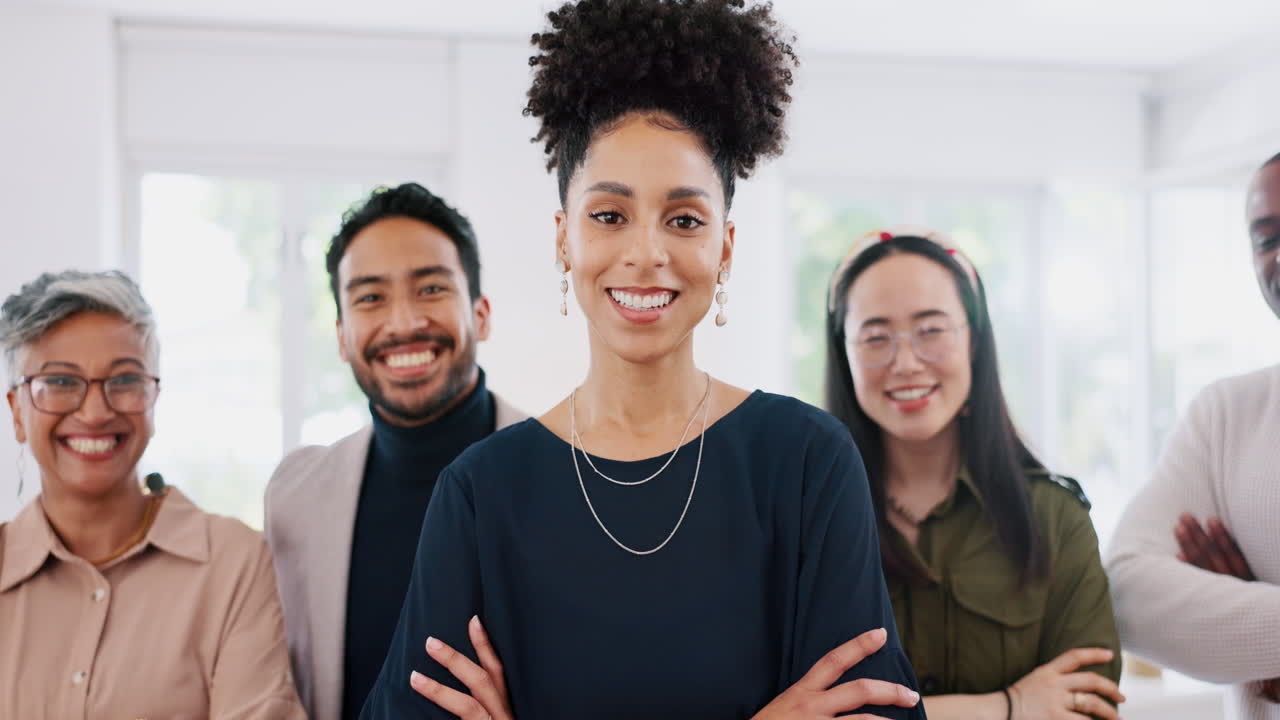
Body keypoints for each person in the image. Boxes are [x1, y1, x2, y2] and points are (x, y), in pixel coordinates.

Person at [359, 1, 925, 719]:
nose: (647, 253)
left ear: (724, 247)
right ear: (564, 239)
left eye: (684, 219)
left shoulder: (806, 465)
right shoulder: (480, 495)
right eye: (609, 215)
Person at [824, 227, 1124, 720]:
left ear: (975, 340)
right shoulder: (806, 519)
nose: (905, 362)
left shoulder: (1055, 518)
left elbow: (1088, 708)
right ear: (844, 353)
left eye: (932, 330)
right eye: (876, 337)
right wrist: (1010, 707)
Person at [265, 183, 526, 720]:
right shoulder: (295, 496)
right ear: (341, 336)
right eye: (370, 297)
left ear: (481, 313)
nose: (403, 323)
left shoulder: (568, 474)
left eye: (431, 289)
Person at [0, 270, 305, 719]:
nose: (95, 411)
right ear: (18, 413)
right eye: (61, 381)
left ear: (153, 398)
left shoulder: (231, 563)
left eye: (124, 380)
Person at [1106, 151, 1280, 719]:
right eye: (1265, 236)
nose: (1278, 254)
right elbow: (1129, 593)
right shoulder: (1228, 414)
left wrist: (1241, 617)